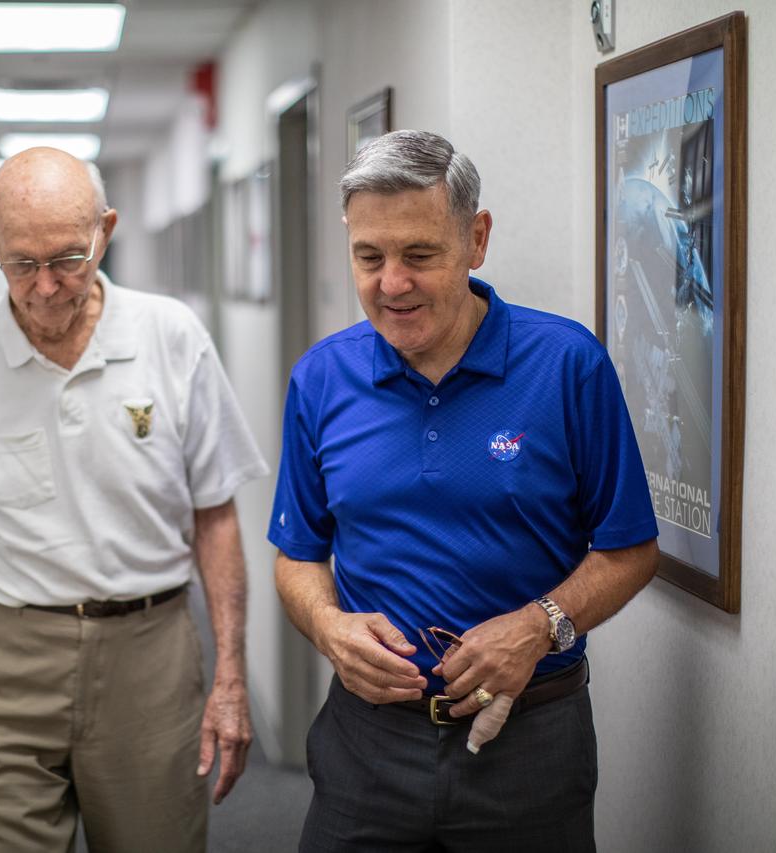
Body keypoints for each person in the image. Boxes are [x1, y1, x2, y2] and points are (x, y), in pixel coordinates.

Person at [270, 130, 659, 851]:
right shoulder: (321, 379)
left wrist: (538, 624)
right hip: (366, 743)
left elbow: (631, 550)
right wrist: (328, 627)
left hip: (531, 739)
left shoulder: (567, 366)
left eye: (419, 255)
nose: (391, 284)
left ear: (476, 239)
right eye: (369, 257)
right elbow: (296, 554)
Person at [0, 148, 268, 852]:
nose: (45, 288)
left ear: (107, 230)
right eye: (21, 264)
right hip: (8, 657)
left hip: (150, 654)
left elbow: (214, 514)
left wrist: (231, 675)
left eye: (68, 258)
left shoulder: (172, 335)